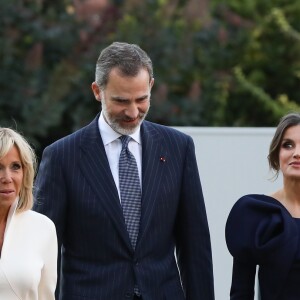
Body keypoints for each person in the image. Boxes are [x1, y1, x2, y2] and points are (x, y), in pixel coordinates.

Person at [33, 41, 214, 300]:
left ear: (151, 85)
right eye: (120, 101)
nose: (132, 112)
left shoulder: (178, 148)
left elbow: (195, 244)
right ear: (97, 91)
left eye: (141, 99)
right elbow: (44, 251)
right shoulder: (62, 157)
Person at [226, 112, 300, 300]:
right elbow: (241, 292)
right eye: (288, 145)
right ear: (277, 154)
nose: (296, 153)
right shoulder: (256, 214)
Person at [0, 127, 57, 300]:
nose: (7, 177)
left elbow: (46, 296)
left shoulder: (43, 227)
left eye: (15, 167)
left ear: (25, 173)